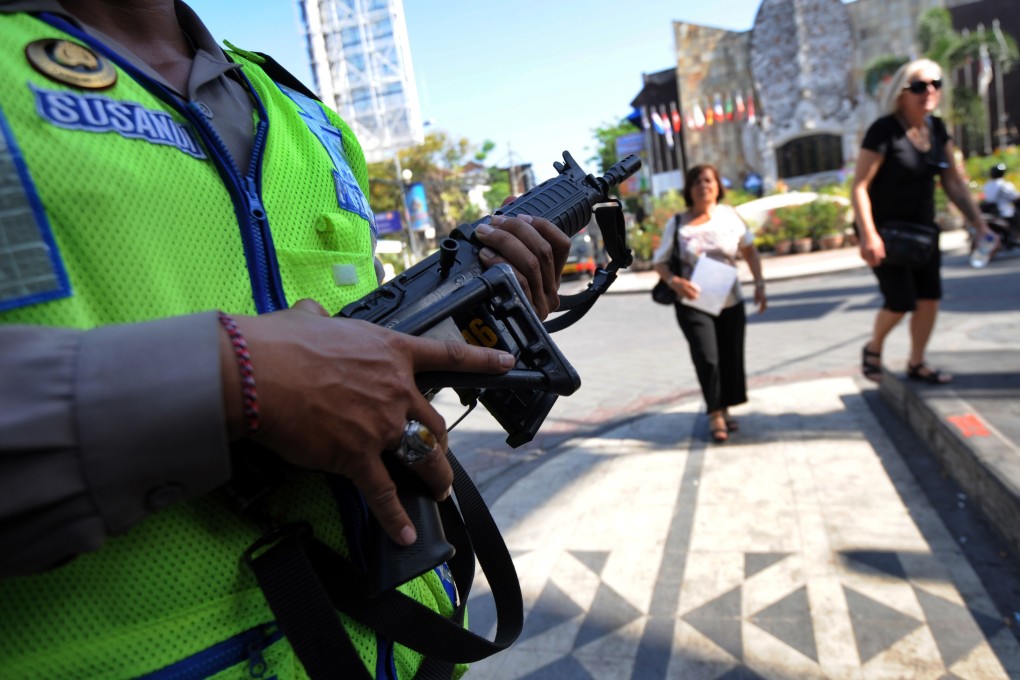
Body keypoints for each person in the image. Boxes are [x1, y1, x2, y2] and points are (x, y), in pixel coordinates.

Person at [0, 2, 569, 678]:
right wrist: (231, 379)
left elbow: (363, 349)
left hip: (403, 643)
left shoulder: (302, 112)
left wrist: (475, 311)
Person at [852, 58, 997, 385]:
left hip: (923, 230)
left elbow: (954, 183)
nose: (928, 91)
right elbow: (859, 185)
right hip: (885, 232)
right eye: (918, 86)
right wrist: (868, 234)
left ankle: (916, 362)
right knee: (900, 301)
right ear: (901, 93)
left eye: (935, 84)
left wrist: (980, 224)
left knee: (929, 299)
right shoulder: (884, 130)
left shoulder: (937, 129)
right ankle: (873, 347)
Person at [652, 164, 767, 443]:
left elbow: (750, 252)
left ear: (718, 185)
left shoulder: (730, 216)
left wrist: (759, 283)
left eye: (708, 180)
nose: (703, 185)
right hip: (692, 302)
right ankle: (715, 412)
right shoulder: (678, 223)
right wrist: (675, 282)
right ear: (689, 190)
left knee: (729, 357)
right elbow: (660, 262)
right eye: (697, 182)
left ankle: (725, 407)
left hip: (730, 300)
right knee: (708, 358)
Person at [982, 163, 1019, 228]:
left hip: (992, 213)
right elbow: (1015, 196)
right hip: (1005, 213)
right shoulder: (1003, 184)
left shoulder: (987, 185)